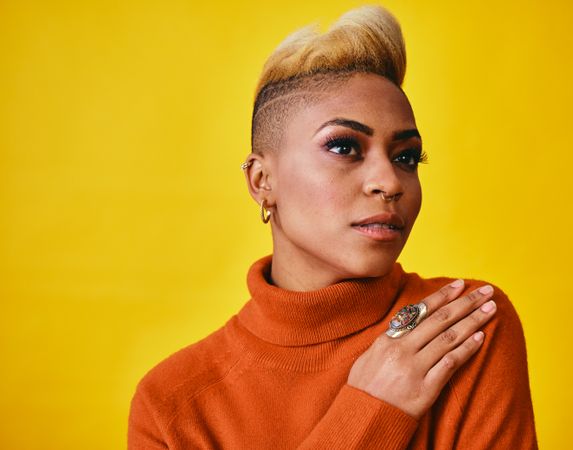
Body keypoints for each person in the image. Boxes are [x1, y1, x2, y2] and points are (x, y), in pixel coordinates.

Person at [128, 5, 538, 449]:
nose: (389, 182)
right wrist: (371, 411)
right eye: (344, 147)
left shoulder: (461, 326)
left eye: (406, 157)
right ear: (262, 181)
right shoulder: (172, 403)